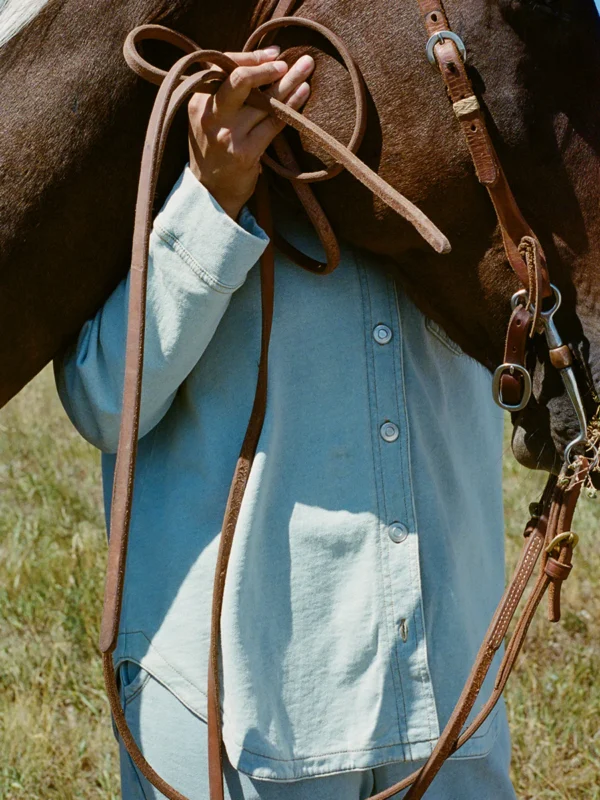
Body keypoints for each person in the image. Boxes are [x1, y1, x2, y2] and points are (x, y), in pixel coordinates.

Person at [55, 45, 516, 800]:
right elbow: (102, 398)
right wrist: (208, 197)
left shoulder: (476, 83)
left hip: (453, 707)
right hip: (230, 710)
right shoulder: (150, 97)